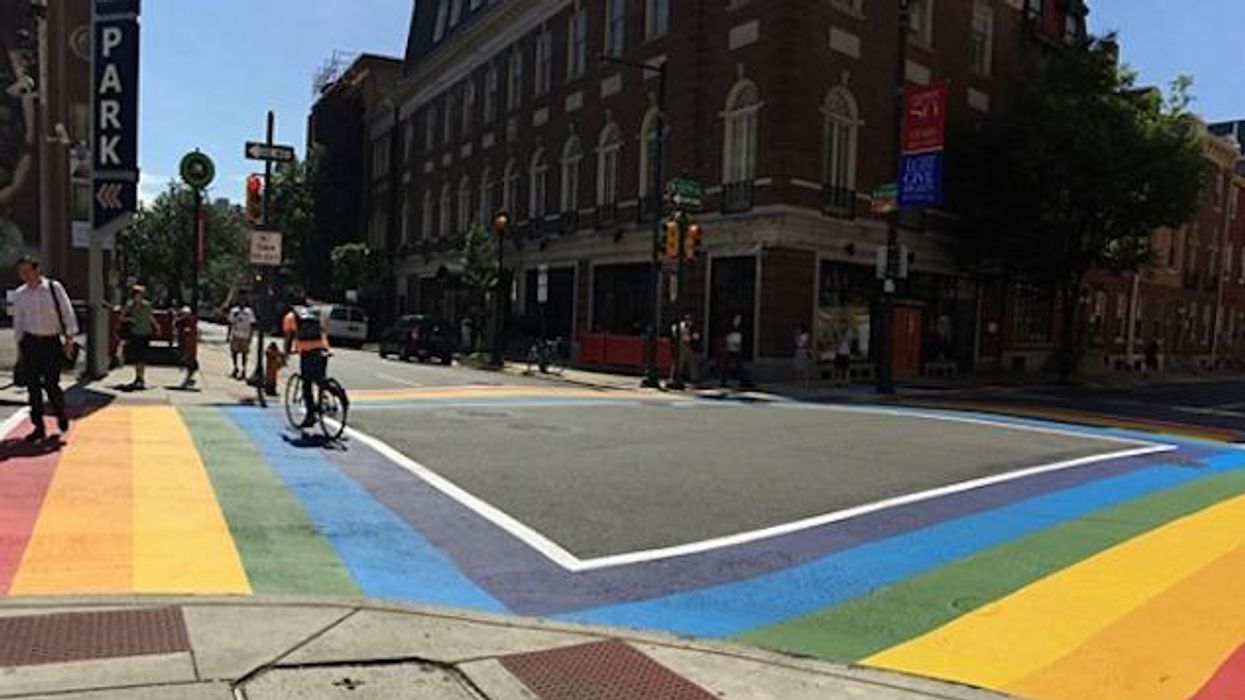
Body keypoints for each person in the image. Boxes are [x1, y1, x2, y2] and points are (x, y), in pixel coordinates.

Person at [11, 256, 76, 441]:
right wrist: (19, 348)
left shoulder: (54, 288)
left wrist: (69, 340)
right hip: (30, 342)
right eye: (21, 272)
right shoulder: (20, 294)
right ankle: (38, 426)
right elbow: (19, 322)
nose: (24, 275)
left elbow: (67, 312)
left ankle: (60, 413)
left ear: (37, 269)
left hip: (51, 343)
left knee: (51, 384)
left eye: (27, 271)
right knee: (32, 387)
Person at [283, 303, 331, 429]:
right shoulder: (314, 315)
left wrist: (286, 353)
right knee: (320, 379)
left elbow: (288, 337)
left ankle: (310, 415)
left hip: (306, 352)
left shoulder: (290, 317)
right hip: (321, 349)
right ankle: (338, 394)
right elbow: (323, 331)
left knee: (307, 383)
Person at [121, 284, 153, 390]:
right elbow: (122, 317)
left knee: (142, 357)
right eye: (136, 294)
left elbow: (150, 317)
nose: (138, 297)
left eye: (140, 294)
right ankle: (138, 377)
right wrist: (129, 320)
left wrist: (156, 326)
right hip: (135, 333)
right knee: (137, 357)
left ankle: (141, 378)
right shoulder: (130, 306)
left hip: (145, 333)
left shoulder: (147, 305)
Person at [720, 314, 752, 389]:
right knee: (726, 366)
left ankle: (743, 381)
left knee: (739, 365)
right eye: (737, 319)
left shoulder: (740, 328)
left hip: (736, 349)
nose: (738, 321)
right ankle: (724, 381)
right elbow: (727, 336)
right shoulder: (729, 327)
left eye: (739, 319)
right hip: (729, 348)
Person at [226, 301, 255, 379]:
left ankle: (243, 369)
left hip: (245, 335)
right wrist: (228, 335)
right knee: (234, 352)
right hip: (235, 334)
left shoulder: (249, 312)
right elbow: (230, 323)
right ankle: (235, 367)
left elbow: (252, 324)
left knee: (244, 354)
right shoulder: (234, 311)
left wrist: (250, 336)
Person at [669, 315, 699, 389]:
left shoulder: (692, 327)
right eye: (688, 320)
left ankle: (694, 378)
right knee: (679, 362)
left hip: (688, 345)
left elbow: (695, 336)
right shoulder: (679, 327)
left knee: (692, 361)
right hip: (680, 344)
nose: (689, 322)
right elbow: (675, 334)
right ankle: (676, 377)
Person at [175, 306, 199, 389]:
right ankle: (189, 379)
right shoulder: (181, 322)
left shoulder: (190, 322)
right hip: (183, 345)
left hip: (189, 347)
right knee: (187, 364)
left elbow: (189, 335)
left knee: (190, 363)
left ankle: (188, 380)